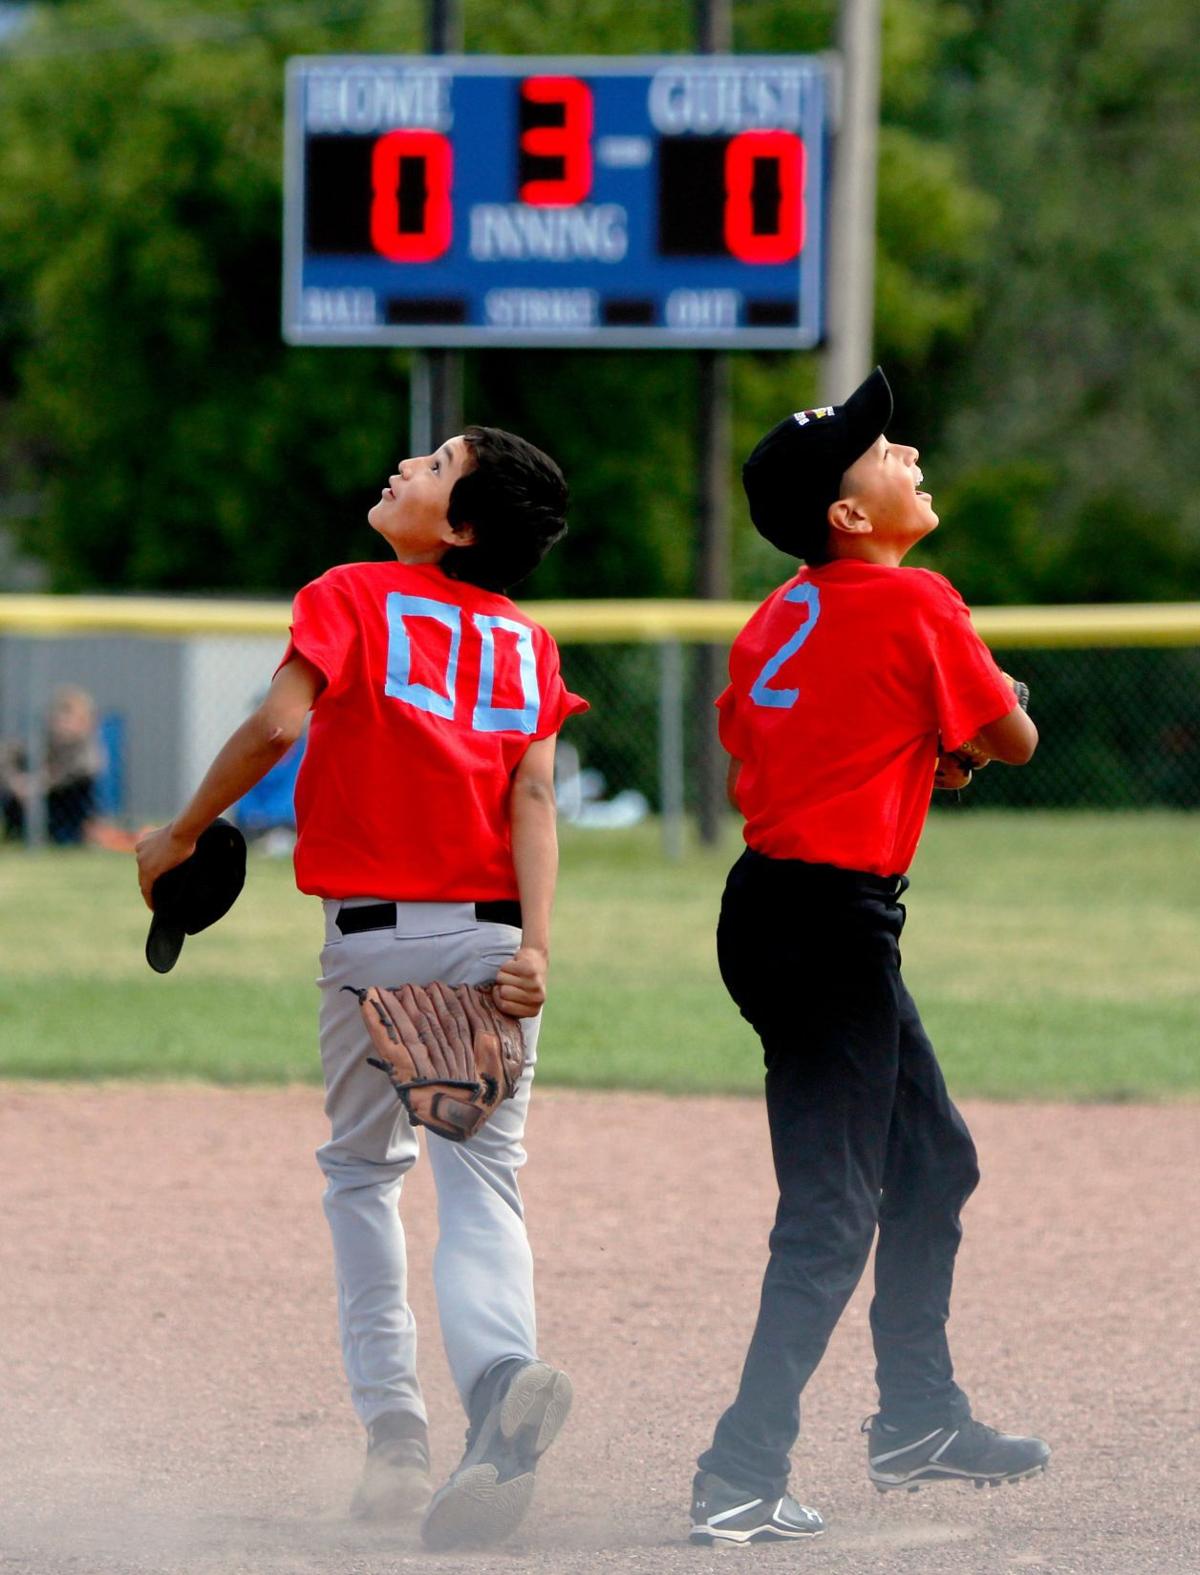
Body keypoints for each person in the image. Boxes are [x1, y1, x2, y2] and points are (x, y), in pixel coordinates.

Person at [136, 425, 586, 1550]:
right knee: (482, 1178)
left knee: (363, 1172)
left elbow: (281, 723)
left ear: (462, 529)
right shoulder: (531, 647)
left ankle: (395, 1436)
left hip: (376, 944)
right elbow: (534, 800)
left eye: (435, 469)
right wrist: (538, 947)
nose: (406, 468)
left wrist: (182, 833)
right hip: (492, 950)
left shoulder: (353, 594)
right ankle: (500, 1387)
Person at [688, 369, 1049, 1547]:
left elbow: (787, 742)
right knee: (835, 1209)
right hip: (831, 923)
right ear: (849, 519)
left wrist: (935, 749)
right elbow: (1012, 738)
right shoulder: (916, 600)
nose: (898, 449)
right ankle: (739, 1475)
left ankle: (919, 1420)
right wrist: (983, 728)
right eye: (875, 450)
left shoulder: (773, 618)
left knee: (933, 1165)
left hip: (778, 910)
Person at [1, 684, 106, 845]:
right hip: (32, 797)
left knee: (75, 792)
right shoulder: (41, 743)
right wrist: (16, 782)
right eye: (59, 718)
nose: (63, 725)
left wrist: (38, 784)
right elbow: (7, 755)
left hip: (65, 804)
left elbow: (79, 772)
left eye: (70, 719)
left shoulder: (87, 750)